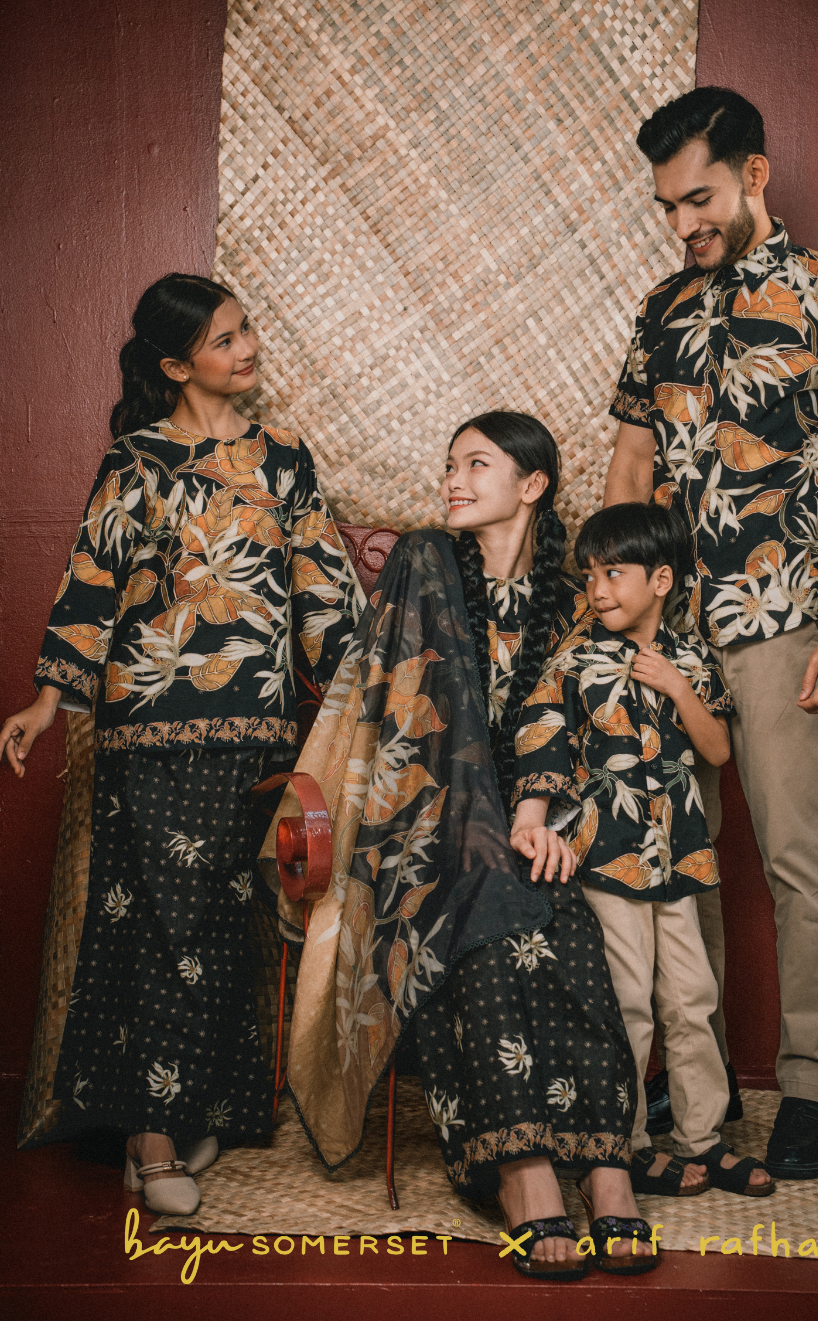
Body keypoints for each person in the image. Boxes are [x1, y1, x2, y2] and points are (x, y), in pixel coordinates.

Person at [0, 274, 362, 1213]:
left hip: (259, 724)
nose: (247, 348)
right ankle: (151, 1136)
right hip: (151, 724)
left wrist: (365, 691)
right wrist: (47, 701)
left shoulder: (284, 458)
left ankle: (198, 1106)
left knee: (229, 924)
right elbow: (91, 579)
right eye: (224, 340)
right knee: (161, 920)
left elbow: (322, 584)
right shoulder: (137, 461)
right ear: (175, 365)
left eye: (246, 329)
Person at [264, 411, 656, 1278]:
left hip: (532, 829)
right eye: (450, 464)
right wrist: (483, 825)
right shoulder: (426, 563)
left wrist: (549, 818)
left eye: (477, 463)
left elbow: (589, 729)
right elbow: (402, 716)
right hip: (420, 827)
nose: (453, 479)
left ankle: (606, 1166)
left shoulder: (574, 600)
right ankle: (522, 1171)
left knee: (565, 928)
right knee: (481, 907)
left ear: (533, 484)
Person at [604, 86, 818, 1179]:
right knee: (673, 858)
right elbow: (630, 464)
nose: (682, 224)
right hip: (670, 628)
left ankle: (814, 1090)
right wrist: (616, 610)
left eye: (700, 199)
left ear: (755, 175)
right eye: (667, 207)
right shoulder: (659, 311)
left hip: (781, 617)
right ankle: (702, 1080)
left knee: (797, 858)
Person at [510, 501, 772, 1198]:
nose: (597, 590)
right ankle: (619, 1145)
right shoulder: (574, 661)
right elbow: (540, 741)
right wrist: (531, 818)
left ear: (660, 580)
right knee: (627, 1001)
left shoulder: (690, 659)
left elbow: (718, 750)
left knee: (693, 998)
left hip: (679, 856)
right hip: (609, 860)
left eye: (614, 574)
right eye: (590, 574)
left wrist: (679, 688)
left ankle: (701, 1138)